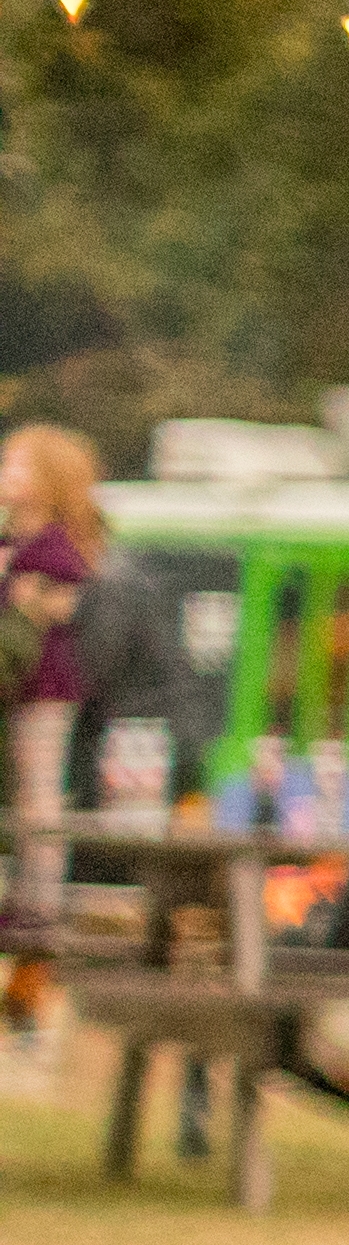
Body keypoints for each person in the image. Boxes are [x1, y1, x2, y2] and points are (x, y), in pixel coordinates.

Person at [4, 422, 97, 1014]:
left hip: (43, 690)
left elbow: (48, 611)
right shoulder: (18, 539)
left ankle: (40, 901)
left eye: (17, 466)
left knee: (40, 797)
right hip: (18, 688)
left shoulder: (53, 547)